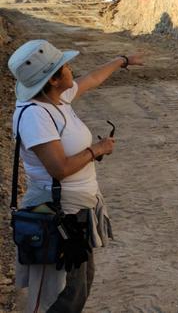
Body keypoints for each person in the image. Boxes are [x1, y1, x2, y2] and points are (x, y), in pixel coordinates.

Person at [8, 39, 143, 312]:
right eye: (65, 66)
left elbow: (92, 78)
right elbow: (59, 168)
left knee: (78, 284)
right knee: (60, 293)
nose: (71, 69)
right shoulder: (36, 115)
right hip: (57, 214)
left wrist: (122, 60)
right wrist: (97, 149)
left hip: (75, 210)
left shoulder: (56, 99)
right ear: (54, 79)